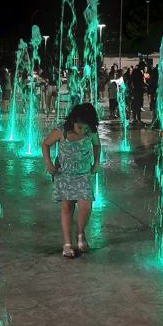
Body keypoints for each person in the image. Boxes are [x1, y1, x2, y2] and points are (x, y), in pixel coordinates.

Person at [42, 103, 100, 258]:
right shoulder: (62, 131)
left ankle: (80, 233)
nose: (83, 131)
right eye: (80, 128)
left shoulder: (91, 131)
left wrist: (96, 162)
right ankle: (67, 243)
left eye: (86, 129)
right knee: (67, 207)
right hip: (64, 174)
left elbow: (97, 145)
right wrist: (48, 163)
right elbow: (45, 144)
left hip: (83, 174)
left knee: (86, 205)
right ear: (73, 121)